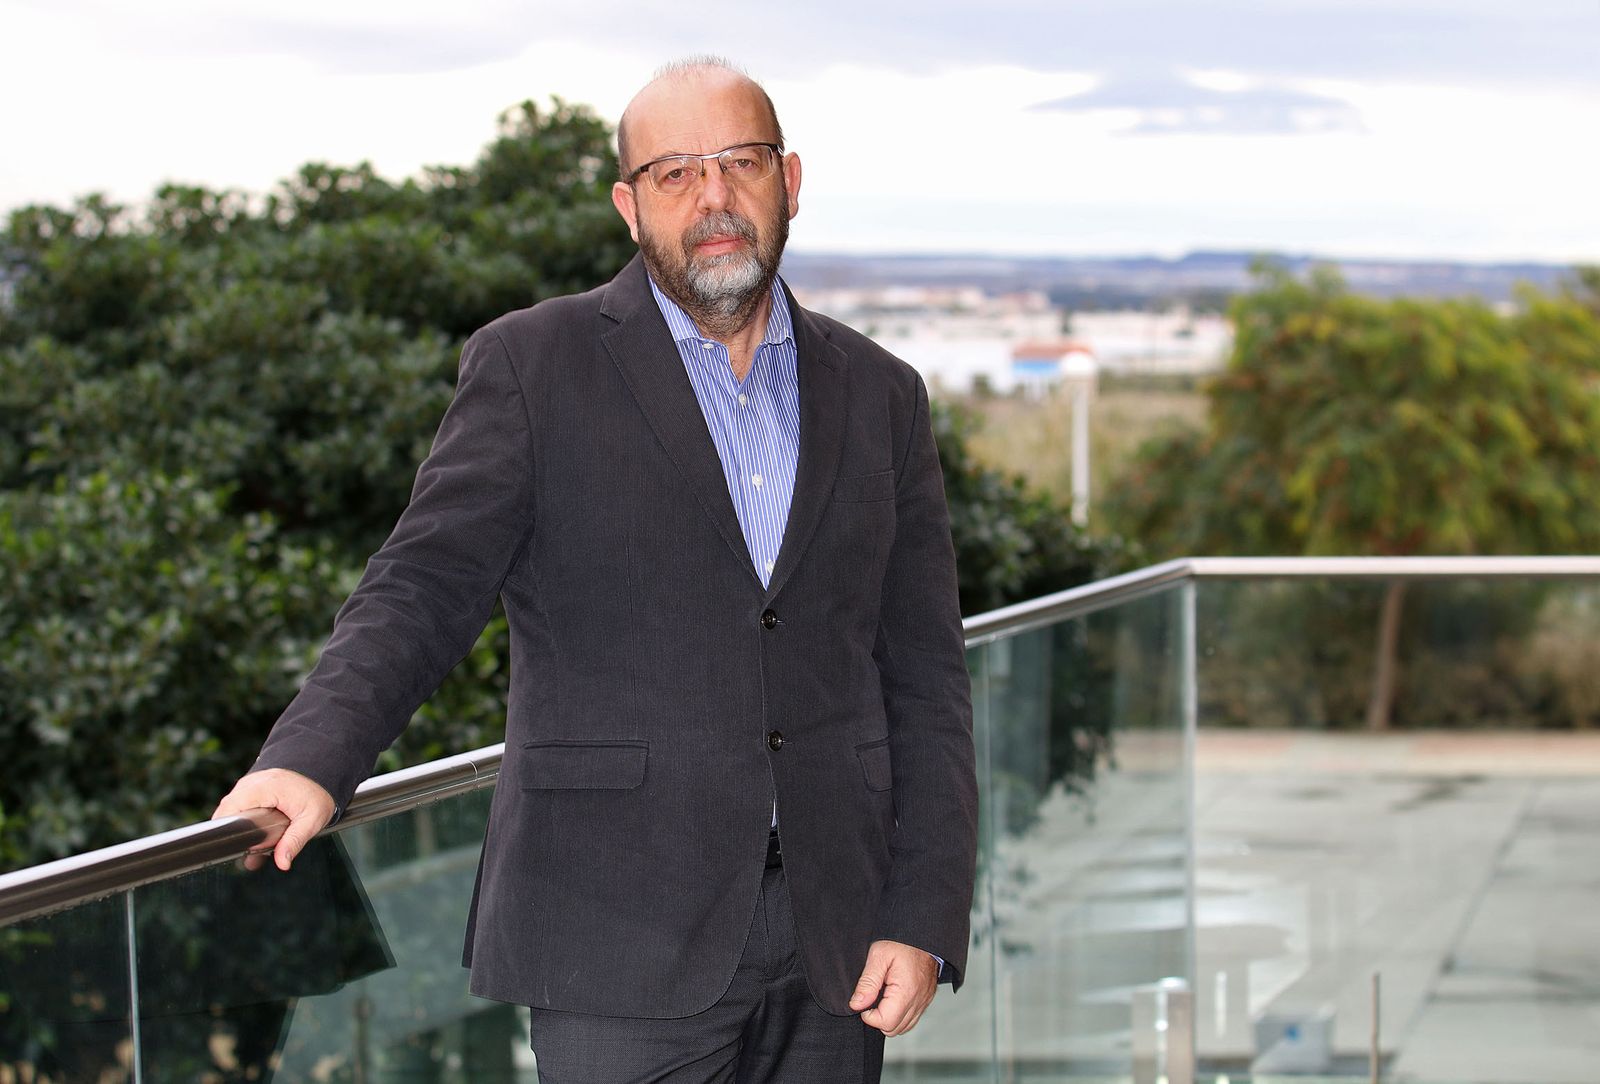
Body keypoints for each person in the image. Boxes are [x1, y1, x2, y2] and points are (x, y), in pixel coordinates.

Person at [214, 55, 977, 1083]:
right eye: (673, 173)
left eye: (737, 162)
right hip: (613, 932)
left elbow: (924, 676)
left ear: (788, 180)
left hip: (836, 940)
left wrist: (921, 915)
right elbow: (423, 583)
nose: (712, 197)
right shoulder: (533, 365)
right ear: (629, 205)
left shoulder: (883, 393)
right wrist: (310, 756)